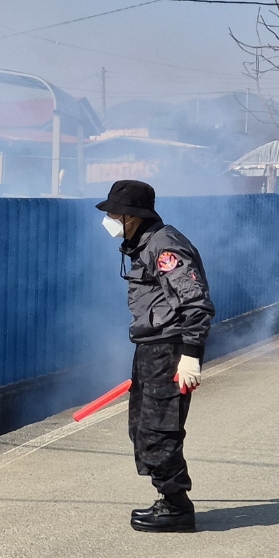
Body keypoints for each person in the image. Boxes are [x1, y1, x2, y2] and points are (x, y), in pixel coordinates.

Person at [97, 178, 212, 532]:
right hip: (151, 347)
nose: (110, 220)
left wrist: (190, 355)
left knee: (160, 430)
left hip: (169, 348)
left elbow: (196, 302)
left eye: (115, 214)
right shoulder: (143, 244)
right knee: (142, 429)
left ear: (132, 216)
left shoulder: (164, 247)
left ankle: (177, 507)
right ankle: (168, 498)